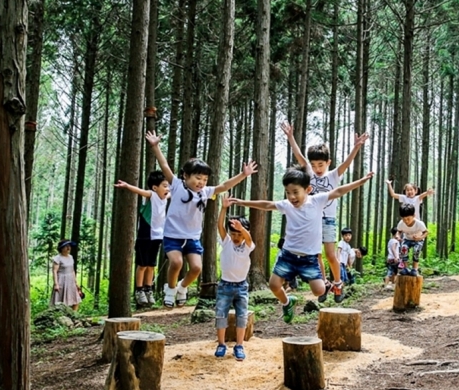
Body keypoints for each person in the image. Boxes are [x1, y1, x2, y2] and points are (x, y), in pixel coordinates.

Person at [229, 165, 374, 323]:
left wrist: (360, 181)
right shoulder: (286, 205)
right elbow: (267, 205)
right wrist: (243, 202)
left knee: (319, 291)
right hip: (288, 256)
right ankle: (287, 302)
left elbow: (338, 191)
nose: (291, 197)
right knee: (274, 285)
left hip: (309, 259)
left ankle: (331, 285)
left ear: (308, 189)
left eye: (295, 192)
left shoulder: (317, 201)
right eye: (288, 192)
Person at [146, 130, 258, 308]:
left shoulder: (205, 192)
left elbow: (224, 185)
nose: (201, 182)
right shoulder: (176, 185)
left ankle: (183, 288)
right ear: (186, 176)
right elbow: (165, 166)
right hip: (173, 235)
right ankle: (170, 289)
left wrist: (243, 175)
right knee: (176, 262)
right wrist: (155, 146)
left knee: (196, 268)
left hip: (192, 237)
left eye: (205, 179)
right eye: (198, 178)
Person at [281, 122, 369, 303]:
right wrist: (290, 137)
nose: (316, 168)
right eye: (313, 164)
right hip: (312, 220)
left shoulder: (333, 176)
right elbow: (299, 155)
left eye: (320, 164)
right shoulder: (309, 174)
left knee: (330, 254)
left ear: (328, 163)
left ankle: (338, 283)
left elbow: (347, 163)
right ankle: (324, 284)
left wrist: (356, 147)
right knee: (316, 255)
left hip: (328, 219)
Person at [114, 171, 171, 307]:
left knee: (151, 265)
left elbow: (175, 190)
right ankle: (139, 290)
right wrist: (127, 186)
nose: (167, 189)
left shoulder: (166, 197)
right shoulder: (151, 195)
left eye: (168, 186)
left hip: (158, 236)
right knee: (143, 265)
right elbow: (140, 191)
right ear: (155, 188)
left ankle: (148, 289)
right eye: (164, 186)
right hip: (145, 236)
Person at [214, 194, 255, 361]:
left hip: (241, 287)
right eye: (233, 233)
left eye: (239, 234)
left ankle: (239, 345)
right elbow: (219, 226)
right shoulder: (226, 242)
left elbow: (249, 238)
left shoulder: (248, 246)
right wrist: (224, 208)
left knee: (241, 317)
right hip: (224, 286)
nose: (236, 237)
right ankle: (221, 344)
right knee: (221, 315)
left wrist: (242, 228)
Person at [397, 204, 428, 276]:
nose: (406, 221)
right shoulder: (401, 224)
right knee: (404, 249)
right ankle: (405, 268)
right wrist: (398, 236)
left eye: (408, 219)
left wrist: (420, 237)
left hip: (418, 240)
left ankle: (415, 269)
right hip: (407, 239)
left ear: (414, 216)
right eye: (404, 219)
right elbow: (399, 231)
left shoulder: (419, 224)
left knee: (416, 251)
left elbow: (426, 232)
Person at [51, 240, 82, 311]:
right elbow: (55, 271)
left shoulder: (71, 257)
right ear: (61, 248)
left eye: (69, 246)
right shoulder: (58, 258)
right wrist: (56, 284)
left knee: (76, 300)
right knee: (61, 301)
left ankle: (74, 316)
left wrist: (76, 282)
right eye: (66, 246)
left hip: (71, 280)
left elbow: (72, 270)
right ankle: (62, 318)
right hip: (61, 280)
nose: (68, 248)